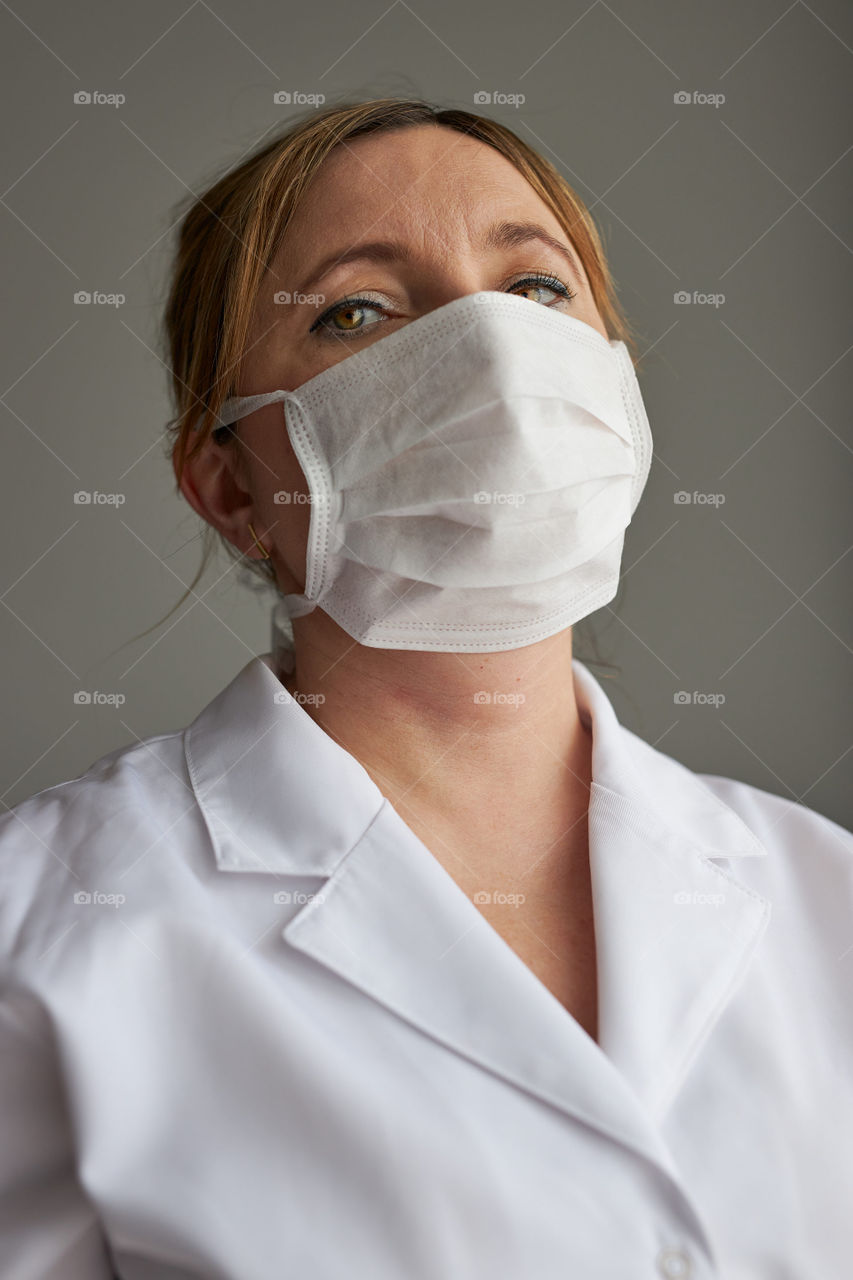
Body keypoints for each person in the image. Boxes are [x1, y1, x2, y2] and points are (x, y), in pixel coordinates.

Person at [1, 97, 851, 1280]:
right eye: (356, 311)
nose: (491, 346)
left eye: (536, 288)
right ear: (232, 487)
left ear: (614, 387)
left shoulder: (826, 897)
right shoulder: (41, 934)